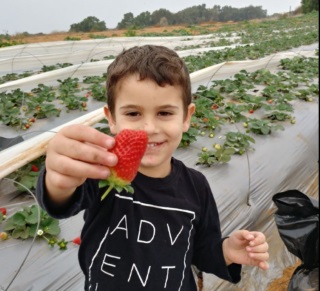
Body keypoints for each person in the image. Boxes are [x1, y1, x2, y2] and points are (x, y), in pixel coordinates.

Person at [36, 45, 269, 290]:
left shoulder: (196, 186)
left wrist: (227, 251)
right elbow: (60, 202)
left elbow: (200, 250)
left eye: (165, 113)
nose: (148, 128)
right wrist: (57, 181)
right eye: (133, 113)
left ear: (186, 117)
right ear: (112, 118)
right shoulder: (102, 172)